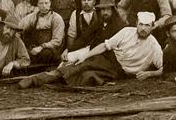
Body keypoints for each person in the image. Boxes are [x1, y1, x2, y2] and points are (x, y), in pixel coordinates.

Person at [18, 12, 163, 88]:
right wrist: (86, 56)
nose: (143, 29)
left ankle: (54, 81)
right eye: (141, 25)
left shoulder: (154, 45)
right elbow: (104, 46)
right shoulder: (127, 31)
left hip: (120, 73)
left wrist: (150, 73)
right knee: (82, 65)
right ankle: (37, 79)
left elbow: (163, 67)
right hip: (109, 60)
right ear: (137, 23)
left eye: (147, 26)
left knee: (88, 76)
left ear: (152, 26)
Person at [19, 0, 65, 64]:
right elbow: (19, 29)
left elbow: (57, 41)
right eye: (41, 3)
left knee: (45, 54)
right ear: (37, 4)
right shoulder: (31, 17)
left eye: (46, 3)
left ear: (50, 4)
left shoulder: (56, 18)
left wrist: (41, 47)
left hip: (50, 49)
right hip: (33, 47)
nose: (44, 6)